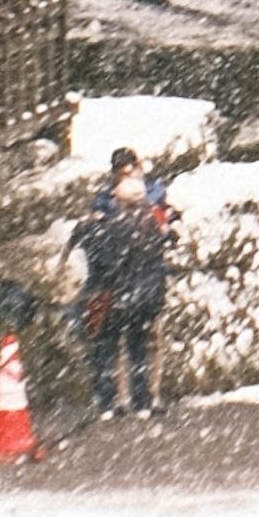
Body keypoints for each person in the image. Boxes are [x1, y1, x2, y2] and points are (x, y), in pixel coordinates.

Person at [74, 149, 173, 423]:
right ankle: (142, 401)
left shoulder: (108, 225)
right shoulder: (153, 226)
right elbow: (165, 243)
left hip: (113, 293)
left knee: (107, 348)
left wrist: (91, 229)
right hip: (143, 295)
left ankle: (110, 402)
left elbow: (95, 253)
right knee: (138, 348)